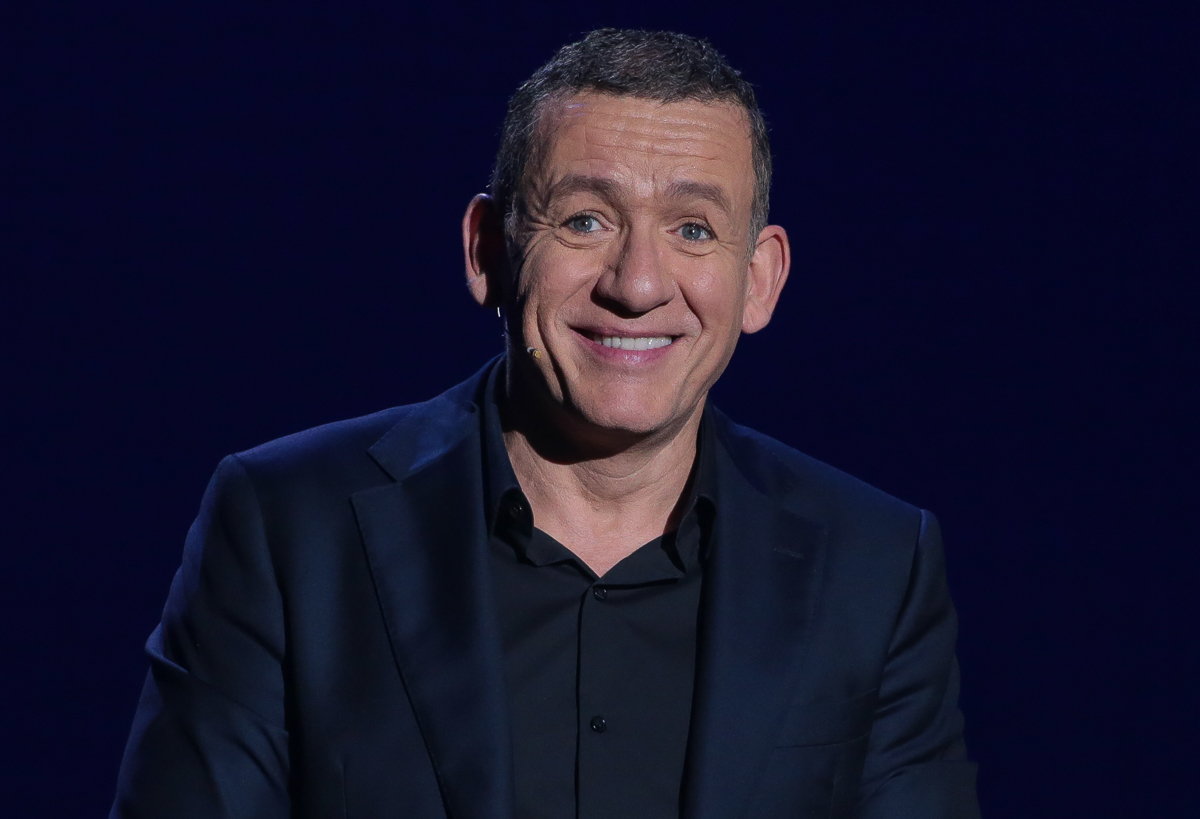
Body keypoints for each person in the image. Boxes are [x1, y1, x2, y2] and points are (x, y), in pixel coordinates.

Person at [110, 28, 980, 819]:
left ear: (759, 279)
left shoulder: (875, 567)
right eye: (585, 220)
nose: (638, 284)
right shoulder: (287, 526)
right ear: (488, 249)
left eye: (692, 229)